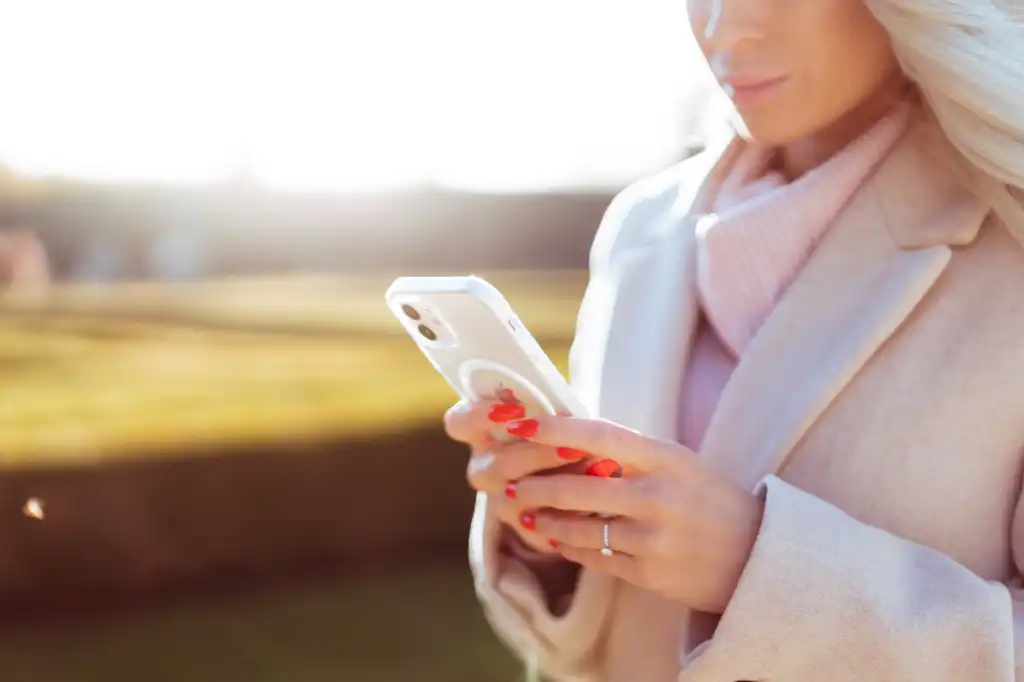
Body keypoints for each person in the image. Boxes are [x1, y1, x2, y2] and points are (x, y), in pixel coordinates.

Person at [445, 1, 1024, 680]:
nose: (723, 26)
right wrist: (557, 531)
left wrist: (759, 569)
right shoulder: (642, 227)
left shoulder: (1010, 239)